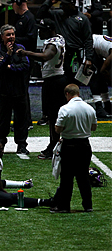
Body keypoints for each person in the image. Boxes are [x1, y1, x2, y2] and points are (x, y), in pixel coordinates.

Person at [18, 19, 67, 159]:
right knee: (53, 115)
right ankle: (56, 143)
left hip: (54, 82)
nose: (39, 32)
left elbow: (46, 56)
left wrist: (26, 53)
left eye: (42, 29)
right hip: (55, 79)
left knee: (53, 116)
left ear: (50, 30)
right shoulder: (59, 38)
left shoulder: (52, 43)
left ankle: (54, 146)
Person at [50, 84, 97, 213]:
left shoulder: (65, 109)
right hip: (85, 146)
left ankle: (64, 206)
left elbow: (58, 129)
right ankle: (88, 205)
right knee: (83, 177)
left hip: (69, 146)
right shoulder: (89, 108)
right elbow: (93, 127)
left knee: (67, 178)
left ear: (67, 94)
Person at [37, 0, 94, 84]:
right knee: (59, 80)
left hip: (74, 54)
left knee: (72, 81)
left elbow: (88, 39)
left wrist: (89, 58)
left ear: (72, 4)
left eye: (65, 4)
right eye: (62, 3)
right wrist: (49, 2)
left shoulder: (82, 19)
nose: (62, 6)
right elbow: (40, 15)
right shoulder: (58, 14)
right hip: (60, 53)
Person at [0, 24, 30, 155]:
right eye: (8, 35)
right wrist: (8, 56)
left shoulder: (21, 49)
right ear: (2, 36)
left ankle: (21, 144)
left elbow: (25, 66)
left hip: (20, 90)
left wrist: (10, 67)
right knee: (2, 120)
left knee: (21, 119)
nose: (11, 37)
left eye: (13, 34)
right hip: (4, 91)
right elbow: (0, 67)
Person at [8, 0, 37, 131]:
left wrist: (13, 40)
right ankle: (24, 120)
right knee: (20, 90)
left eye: (13, 4)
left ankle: (26, 121)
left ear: (17, 3)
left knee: (22, 91)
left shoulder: (29, 18)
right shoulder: (21, 18)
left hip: (26, 59)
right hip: (20, 58)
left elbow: (31, 39)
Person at [89, 34, 112, 118]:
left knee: (102, 77)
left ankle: (107, 104)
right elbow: (103, 70)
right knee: (95, 75)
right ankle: (98, 106)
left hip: (99, 49)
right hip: (91, 46)